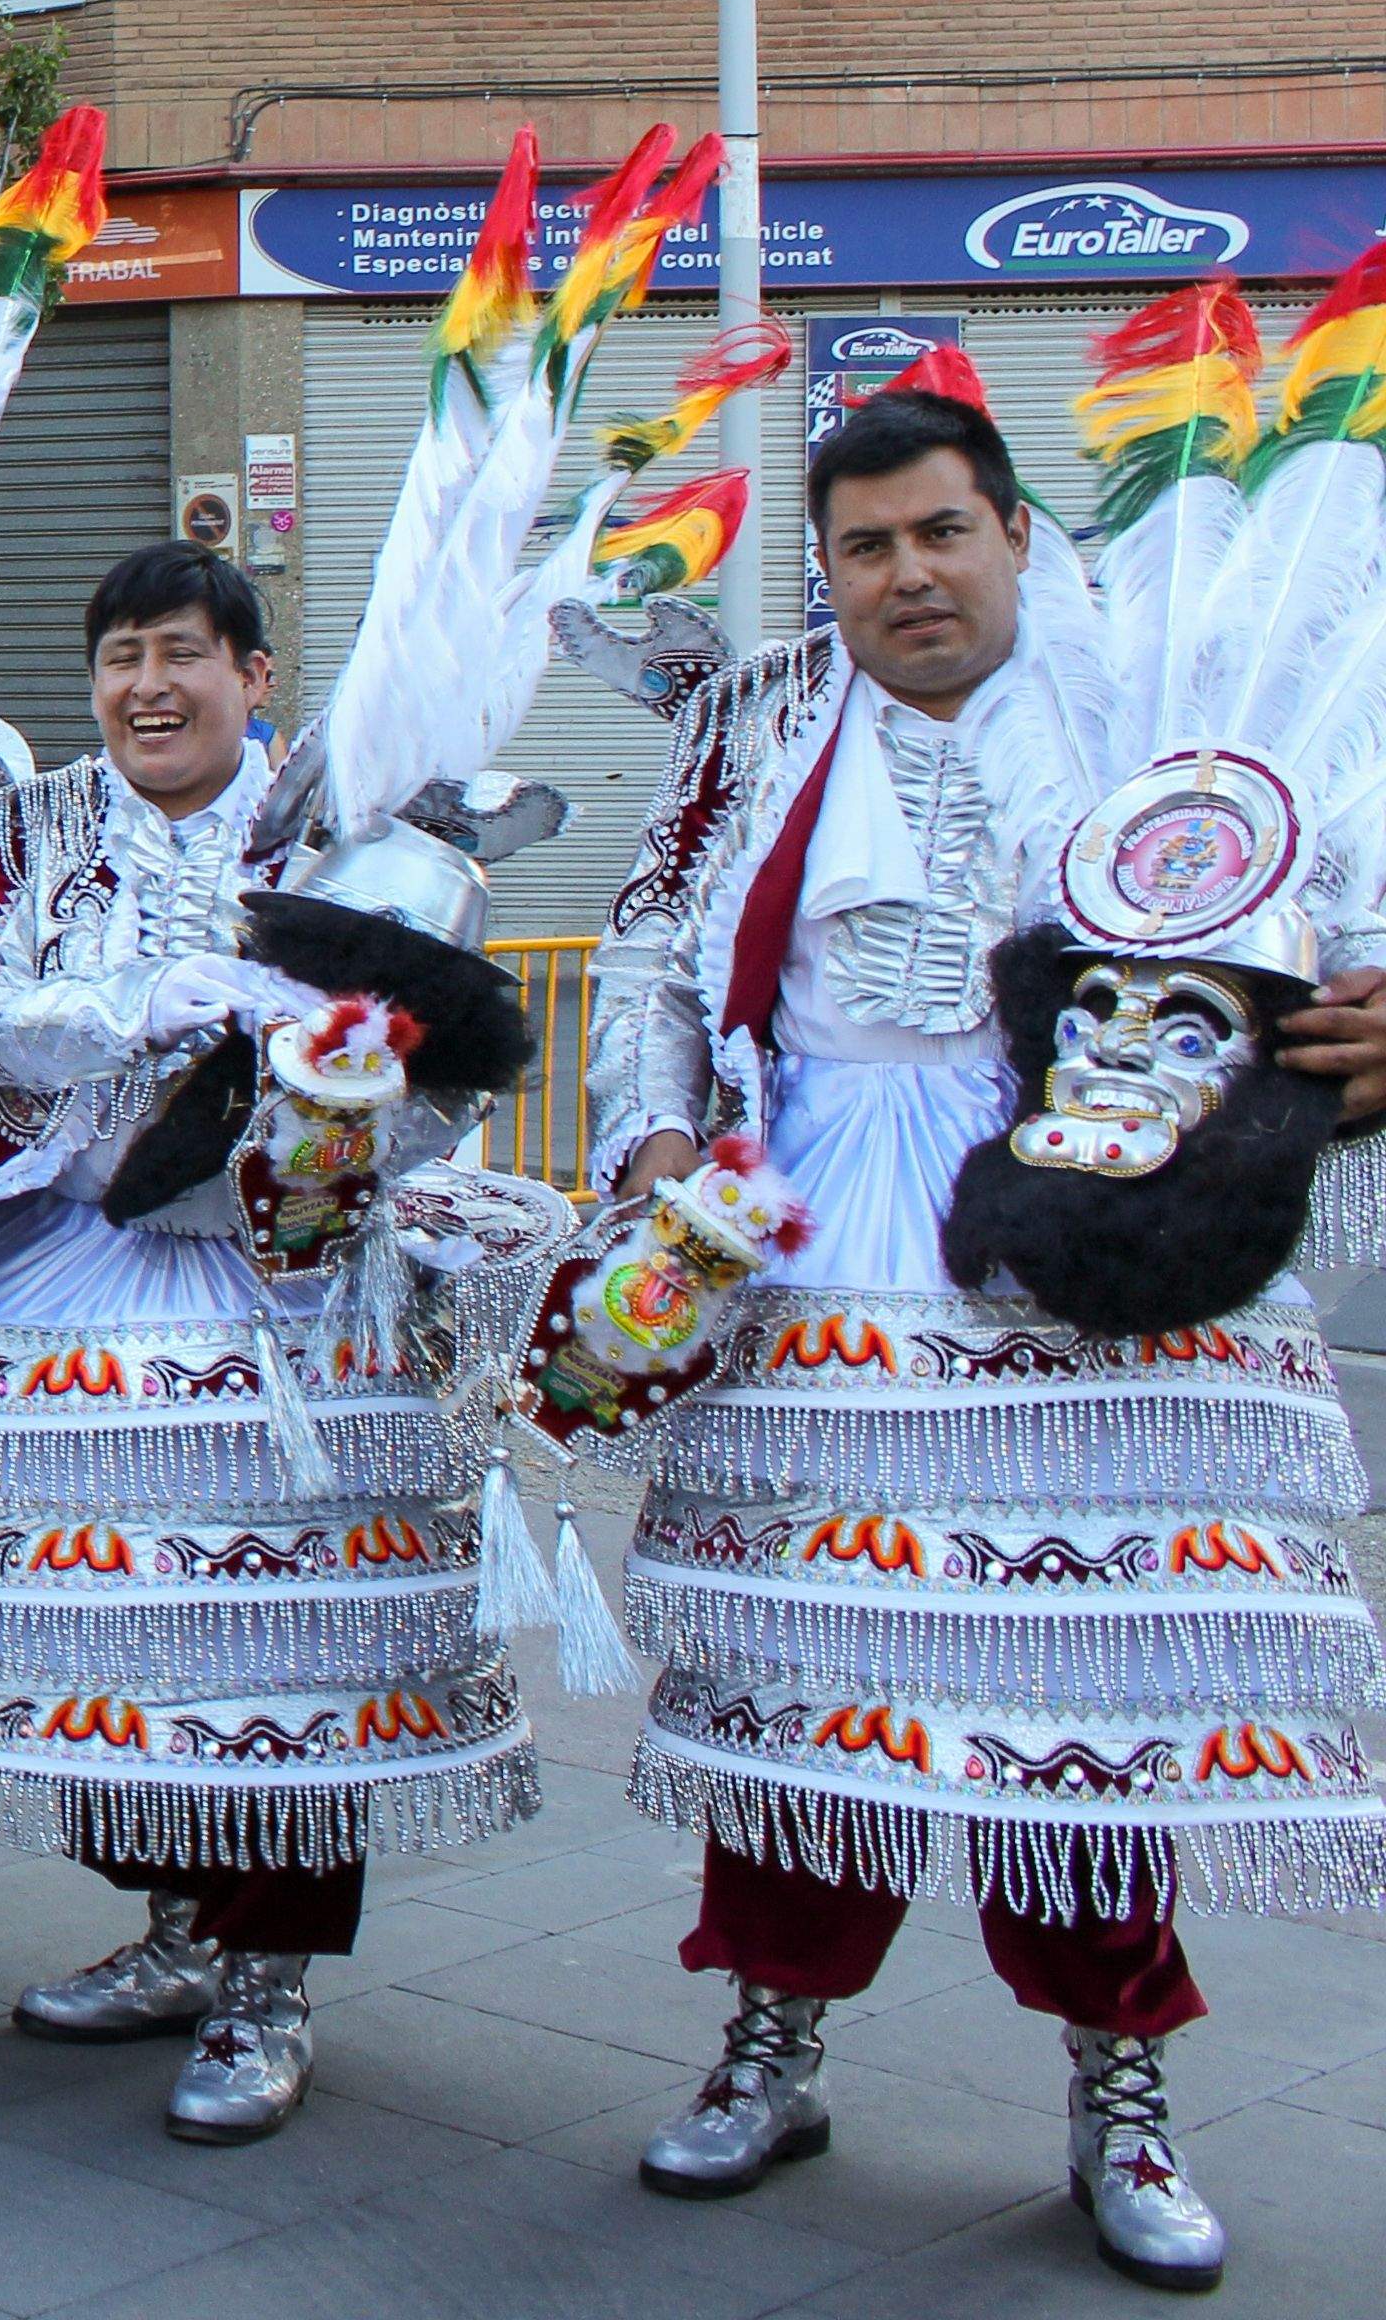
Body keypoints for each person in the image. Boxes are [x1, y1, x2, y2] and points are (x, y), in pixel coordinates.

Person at [589, 390, 1385, 2283]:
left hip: (1089, 1228)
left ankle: (1119, 2088)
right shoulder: (753, 722)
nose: (904, 576)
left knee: (1079, 1677)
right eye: (861, 547)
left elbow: (1322, 924)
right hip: (807, 1239)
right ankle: (767, 2043)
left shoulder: (1165, 712)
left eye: (937, 533)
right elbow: (642, 948)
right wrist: (649, 1137)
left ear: (1014, 532)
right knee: (805, 1670)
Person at [0, 543, 541, 2142]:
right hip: (70, 1266)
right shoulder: (22, 833)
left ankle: (269, 1983)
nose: (150, 686)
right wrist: (127, 1001)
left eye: (185, 653)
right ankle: (178, 1929)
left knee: (278, 1652)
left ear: (254, 677)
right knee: (94, 1637)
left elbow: (454, 1070)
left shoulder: (353, 836)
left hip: (293, 1290)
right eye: (122, 654)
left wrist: (341, 1109)